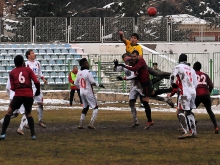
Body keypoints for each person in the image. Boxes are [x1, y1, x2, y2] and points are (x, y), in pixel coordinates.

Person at [0, 55, 40, 140]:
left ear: (15, 63)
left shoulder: (12, 72)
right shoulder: (28, 70)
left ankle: (3, 134)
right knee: (28, 114)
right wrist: (38, 90)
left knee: (9, 113)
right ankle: (33, 135)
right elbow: (36, 81)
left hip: (18, 95)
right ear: (23, 62)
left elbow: (12, 87)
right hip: (28, 95)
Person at [116, 50, 155, 129]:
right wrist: (115, 65)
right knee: (131, 103)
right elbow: (116, 70)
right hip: (134, 86)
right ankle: (136, 121)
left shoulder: (135, 64)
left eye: (127, 57)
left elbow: (135, 75)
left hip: (140, 85)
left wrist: (124, 78)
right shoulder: (125, 66)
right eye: (124, 58)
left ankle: (149, 120)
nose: (126, 59)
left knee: (145, 102)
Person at [170, 54, 198, 139]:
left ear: (179, 59)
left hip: (184, 92)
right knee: (189, 112)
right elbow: (195, 84)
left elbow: (172, 76)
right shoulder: (192, 69)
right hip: (193, 92)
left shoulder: (178, 67)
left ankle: (186, 131)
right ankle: (193, 131)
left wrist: (172, 84)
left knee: (179, 111)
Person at [74, 58, 105, 129]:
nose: (88, 64)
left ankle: (80, 124)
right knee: (95, 107)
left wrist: (81, 88)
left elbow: (75, 83)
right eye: (87, 63)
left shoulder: (79, 73)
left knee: (85, 107)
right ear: (84, 64)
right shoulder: (88, 72)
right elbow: (92, 82)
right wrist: (99, 85)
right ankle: (91, 123)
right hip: (88, 92)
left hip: (82, 92)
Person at [193, 61, 219, 134]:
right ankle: (216, 127)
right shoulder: (205, 75)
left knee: (189, 110)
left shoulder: (193, 75)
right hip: (206, 94)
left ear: (194, 68)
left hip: (197, 95)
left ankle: (193, 122)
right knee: (209, 111)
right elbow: (211, 85)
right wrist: (208, 92)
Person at [25, 49, 47, 128]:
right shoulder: (26, 64)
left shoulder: (37, 63)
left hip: (37, 86)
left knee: (41, 104)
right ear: (28, 55)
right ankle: (26, 122)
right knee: (29, 104)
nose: (34, 54)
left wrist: (43, 79)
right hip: (30, 87)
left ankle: (40, 120)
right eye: (33, 53)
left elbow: (40, 72)